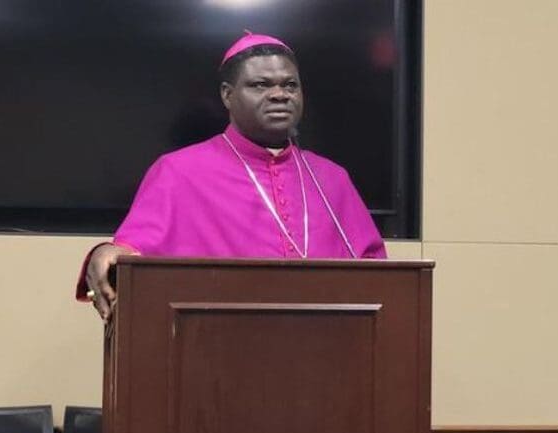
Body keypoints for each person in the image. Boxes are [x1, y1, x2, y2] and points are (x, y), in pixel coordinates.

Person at [77, 32, 386, 320]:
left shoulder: (331, 178)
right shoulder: (179, 172)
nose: (280, 94)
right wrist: (106, 252)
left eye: (290, 85)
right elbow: (133, 251)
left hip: (329, 351)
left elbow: (379, 277)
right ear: (227, 95)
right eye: (261, 85)